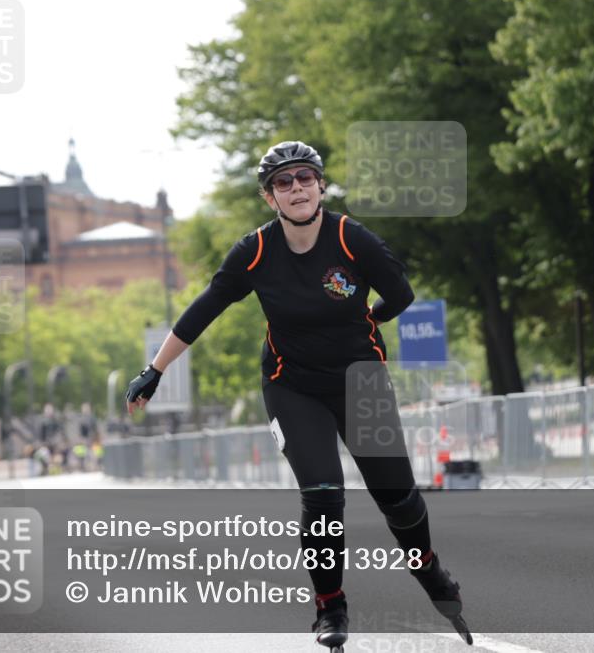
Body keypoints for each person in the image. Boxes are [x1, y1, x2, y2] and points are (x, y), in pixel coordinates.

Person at [126, 141, 471, 649]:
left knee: (397, 499)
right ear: (270, 198)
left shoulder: (353, 240)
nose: (296, 189)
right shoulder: (256, 251)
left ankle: (431, 574)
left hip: (361, 382)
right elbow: (205, 308)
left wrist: (367, 319)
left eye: (305, 178)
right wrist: (153, 371)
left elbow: (401, 295)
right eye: (283, 183)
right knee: (323, 495)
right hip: (293, 386)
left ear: (320, 185)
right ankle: (330, 608)